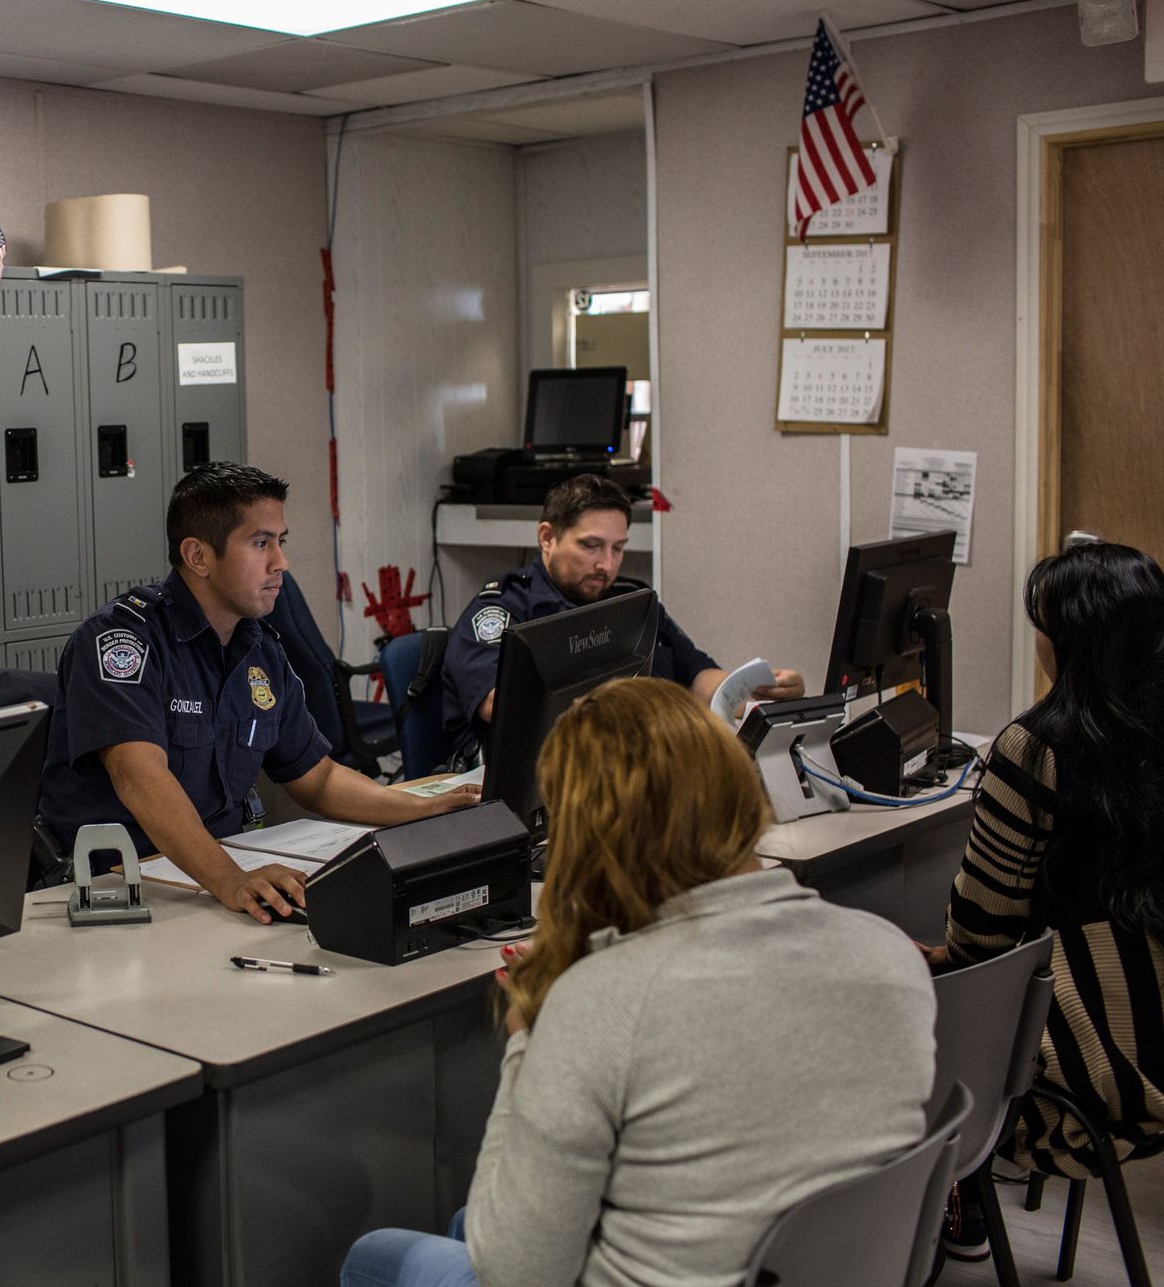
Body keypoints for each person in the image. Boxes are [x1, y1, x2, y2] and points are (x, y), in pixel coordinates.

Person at [342, 678, 936, 1286]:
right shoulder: (889, 955)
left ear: (586, 837)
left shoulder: (601, 1005)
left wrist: (528, 1042)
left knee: (378, 1256)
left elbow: (516, 1272)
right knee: (473, 1220)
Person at [39, 462, 480, 924]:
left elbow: (319, 777)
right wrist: (229, 879)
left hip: (212, 879)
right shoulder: (123, 641)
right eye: (260, 543)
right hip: (118, 891)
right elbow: (139, 776)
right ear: (198, 557)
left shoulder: (258, 649)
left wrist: (420, 810)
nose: (280, 563)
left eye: (280, 541)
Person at [921, 541, 1164, 1260]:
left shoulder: (1037, 748)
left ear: (1070, 643)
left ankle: (952, 1199)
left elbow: (981, 932)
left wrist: (936, 959)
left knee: (910, 1006)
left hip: (1096, 1075)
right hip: (1151, 1039)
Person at [439, 474, 805, 762]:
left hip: (642, 771)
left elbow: (697, 677)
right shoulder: (504, 609)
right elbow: (501, 706)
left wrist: (757, 694)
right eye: (590, 545)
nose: (606, 565)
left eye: (618, 548)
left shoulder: (631, 602)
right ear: (548, 537)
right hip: (554, 781)